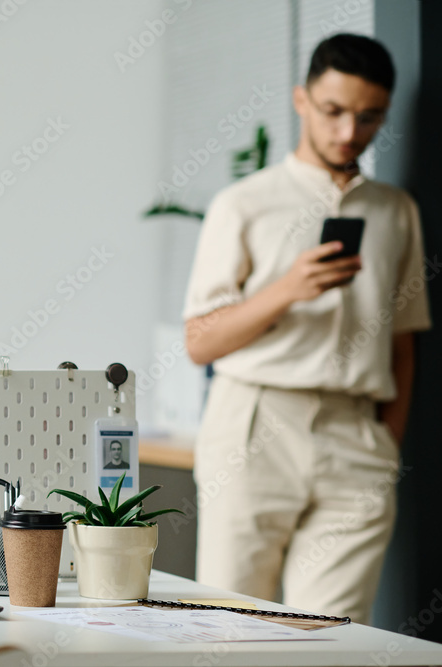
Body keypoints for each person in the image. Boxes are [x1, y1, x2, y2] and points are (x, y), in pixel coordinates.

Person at [183, 34, 430, 624]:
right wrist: (287, 289)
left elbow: (404, 342)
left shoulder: (396, 211)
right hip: (253, 427)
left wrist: (384, 444)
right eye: (334, 111)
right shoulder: (243, 204)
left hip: (355, 438)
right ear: (302, 100)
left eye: (368, 118)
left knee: (330, 640)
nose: (349, 133)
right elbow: (201, 342)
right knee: (230, 628)